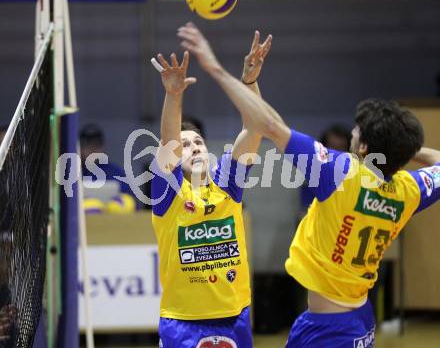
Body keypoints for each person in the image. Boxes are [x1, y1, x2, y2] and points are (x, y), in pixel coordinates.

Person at [177, 22, 440, 348]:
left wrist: (216, 68)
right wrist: (402, 150)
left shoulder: (342, 173)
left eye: (356, 132)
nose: (351, 134)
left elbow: (271, 126)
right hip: (353, 318)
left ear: (363, 149)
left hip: (331, 329)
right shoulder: (409, 190)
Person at [150, 31, 272, 348]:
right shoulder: (167, 194)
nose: (193, 148)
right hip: (183, 322)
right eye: (186, 145)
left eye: (199, 143)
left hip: (235, 316)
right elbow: (169, 145)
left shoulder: (228, 184)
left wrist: (250, 83)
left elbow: (255, 127)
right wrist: (174, 95)